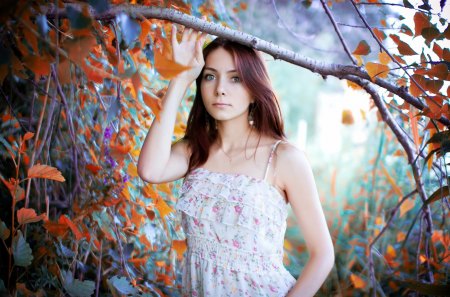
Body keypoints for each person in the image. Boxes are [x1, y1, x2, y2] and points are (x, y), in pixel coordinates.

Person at [137, 25, 334, 297]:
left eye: (235, 79)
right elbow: (150, 170)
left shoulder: (284, 158)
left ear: (254, 88)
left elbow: (323, 254)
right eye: (209, 77)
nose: (220, 90)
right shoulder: (194, 151)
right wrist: (180, 80)